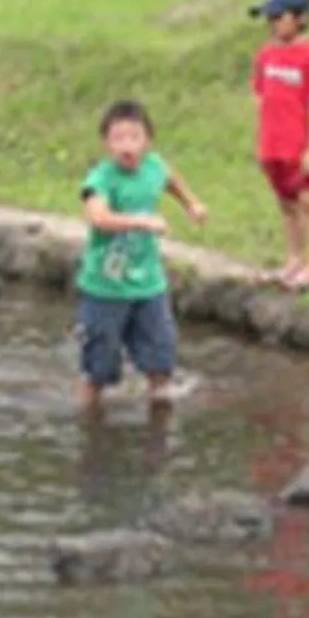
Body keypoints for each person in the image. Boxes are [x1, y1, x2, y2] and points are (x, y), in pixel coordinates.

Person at [77, 99, 207, 411]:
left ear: (148, 140)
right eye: (118, 138)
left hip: (148, 283)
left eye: (134, 137)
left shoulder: (153, 166)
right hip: (105, 287)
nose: (127, 146)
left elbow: (169, 178)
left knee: (160, 357)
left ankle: (159, 418)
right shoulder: (100, 179)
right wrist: (142, 221)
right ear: (106, 143)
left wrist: (191, 203)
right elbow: (98, 217)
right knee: (98, 367)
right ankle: (88, 420)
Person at [248, 0, 309, 293]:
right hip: (273, 143)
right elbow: (261, 100)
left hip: (299, 143)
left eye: (278, 17)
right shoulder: (266, 56)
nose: (272, 24)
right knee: (285, 203)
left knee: (308, 200)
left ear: (299, 19)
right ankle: (294, 258)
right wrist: (261, 144)